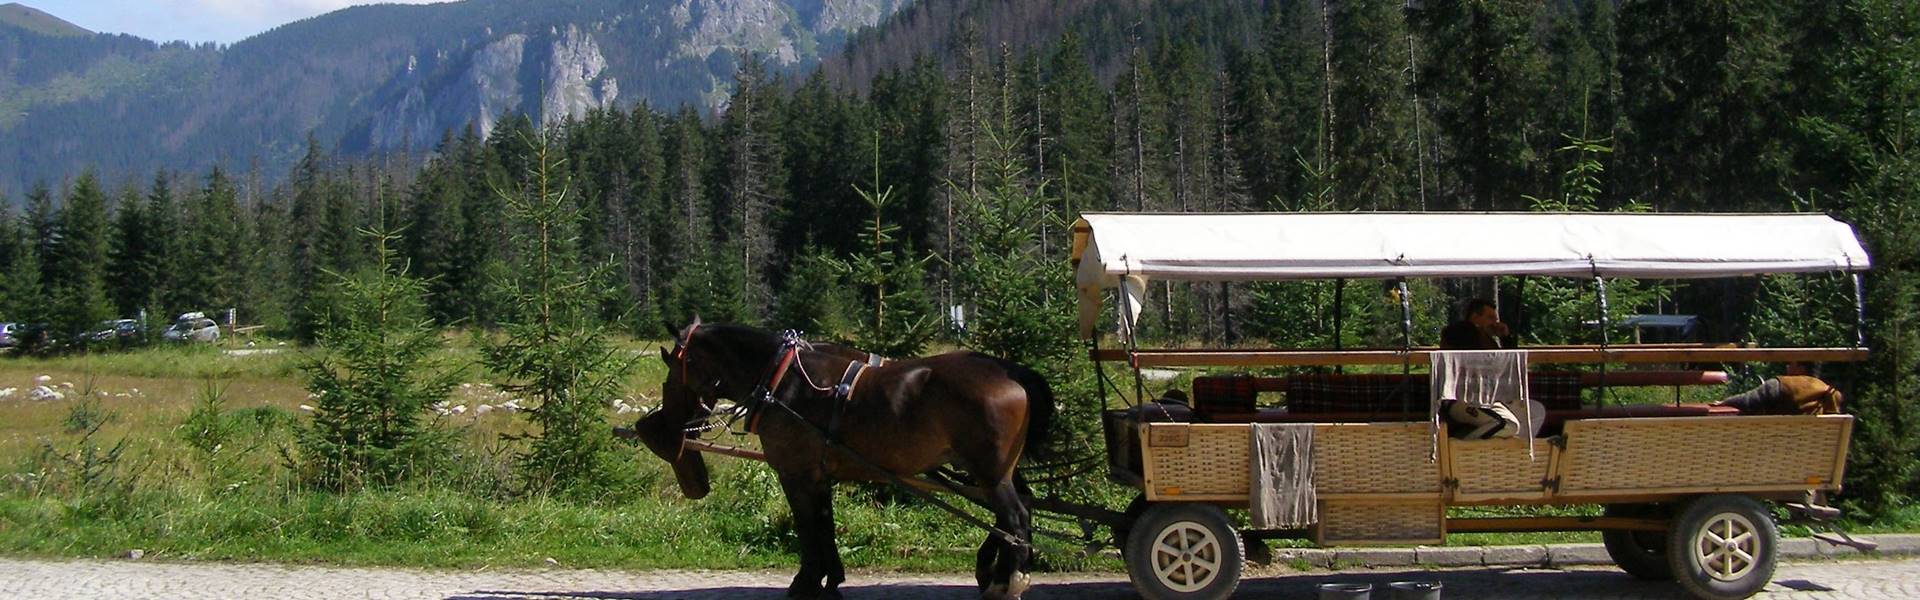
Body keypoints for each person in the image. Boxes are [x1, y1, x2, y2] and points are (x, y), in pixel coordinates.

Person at [1440, 298, 1511, 350]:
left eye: (1495, 320)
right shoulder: (1456, 332)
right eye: (1490, 318)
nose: (1495, 324)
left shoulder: (1488, 339)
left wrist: (1505, 338)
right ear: (1475, 317)